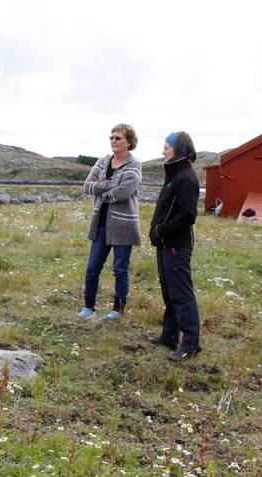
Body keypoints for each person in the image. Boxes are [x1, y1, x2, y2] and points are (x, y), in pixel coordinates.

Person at [78, 123, 143, 321]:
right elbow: (87, 186)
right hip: (101, 223)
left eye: (118, 138)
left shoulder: (134, 164)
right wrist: (109, 185)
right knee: (92, 267)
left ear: (129, 142)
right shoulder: (102, 161)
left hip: (124, 226)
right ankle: (88, 307)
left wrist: (102, 189)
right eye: (111, 137)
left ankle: (118, 309)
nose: (113, 141)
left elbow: (125, 192)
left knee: (120, 268)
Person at [148, 131, 202, 362]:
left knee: (181, 294)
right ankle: (169, 335)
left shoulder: (186, 178)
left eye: (166, 148)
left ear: (178, 150)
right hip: (165, 243)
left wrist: (162, 230)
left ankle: (190, 344)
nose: (163, 151)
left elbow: (188, 215)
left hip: (176, 245)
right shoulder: (174, 174)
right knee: (169, 292)